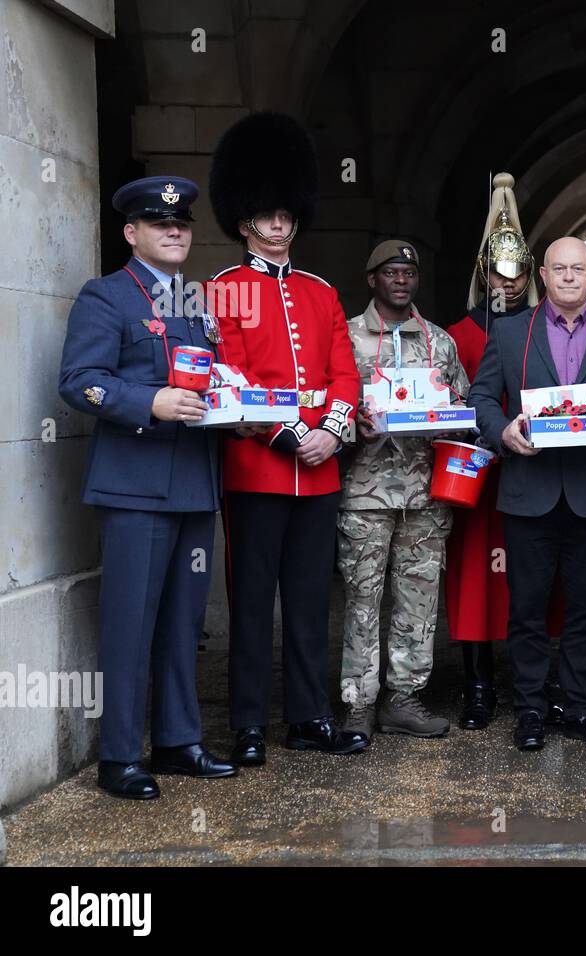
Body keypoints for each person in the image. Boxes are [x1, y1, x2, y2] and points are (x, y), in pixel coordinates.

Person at [58, 176, 235, 798]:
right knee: (130, 623)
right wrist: (148, 401)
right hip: (134, 486)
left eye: (183, 224)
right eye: (162, 224)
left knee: (184, 623)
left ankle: (178, 740)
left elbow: (206, 377)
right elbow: (80, 380)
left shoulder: (195, 304)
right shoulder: (106, 296)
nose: (175, 231)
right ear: (132, 234)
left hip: (192, 480)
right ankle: (119, 756)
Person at [207, 112, 365, 765]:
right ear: (244, 220)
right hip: (255, 468)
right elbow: (229, 377)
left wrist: (330, 430)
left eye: (286, 215)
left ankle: (309, 717)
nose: (278, 226)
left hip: (320, 470)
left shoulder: (321, 292)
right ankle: (247, 723)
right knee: (250, 604)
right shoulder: (223, 290)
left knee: (307, 602)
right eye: (266, 216)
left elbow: (343, 372)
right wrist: (288, 433)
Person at [469, 237, 586, 751]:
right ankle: (530, 709)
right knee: (527, 607)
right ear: (542, 275)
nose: (569, 277)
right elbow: (480, 397)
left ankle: (581, 706)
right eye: (559, 269)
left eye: (579, 269)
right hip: (529, 490)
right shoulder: (509, 330)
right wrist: (501, 431)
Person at [443, 173, 565, 730]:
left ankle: (538, 685)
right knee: (476, 578)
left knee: (536, 581)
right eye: (499, 271)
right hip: (474, 474)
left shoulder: (547, 328)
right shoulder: (454, 334)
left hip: (534, 475)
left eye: (519, 274)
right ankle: (478, 685)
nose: (509, 283)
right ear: (483, 272)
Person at [336, 240, 470, 742]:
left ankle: (403, 698)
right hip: (365, 493)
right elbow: (327, 409)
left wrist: (449, 418)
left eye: (408, 273)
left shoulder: (439, 342)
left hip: (425, 493)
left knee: (418, 600)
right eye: (390, 272)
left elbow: (461, 406)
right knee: (361, 598)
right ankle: (358, 702)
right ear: (372, 279)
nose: (401, 280)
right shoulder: (346, 337)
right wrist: (353, 426)